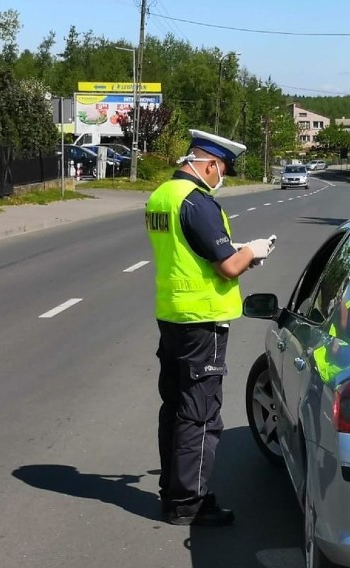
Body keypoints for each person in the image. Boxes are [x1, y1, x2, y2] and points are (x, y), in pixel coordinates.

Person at [145, 129, 276, 527]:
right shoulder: (197, 203)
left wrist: (238, 252)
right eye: (222, 171)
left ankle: (173, 490)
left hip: (172, 315)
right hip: (202, 320)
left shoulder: (162, 195)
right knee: (200, 414)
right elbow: (226, 266)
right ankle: (189, 503)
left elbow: (190, 253)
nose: (222, 179)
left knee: (176, 406)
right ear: (209, 164)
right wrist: (253, 251)